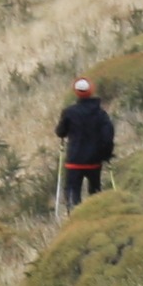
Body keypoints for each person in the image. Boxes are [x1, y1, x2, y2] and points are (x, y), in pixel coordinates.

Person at [53, 78, 115, 210]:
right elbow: (108, 135)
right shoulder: (100, 114)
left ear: (76, 93)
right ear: (91, 92)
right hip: (94, 161)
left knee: (72, 193)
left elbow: (60, 132)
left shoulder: (69, 112)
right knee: (95, 192)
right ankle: (96, 218)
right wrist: (107, 154)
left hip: (74, 160)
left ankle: (75, 219)